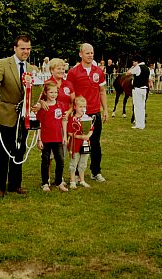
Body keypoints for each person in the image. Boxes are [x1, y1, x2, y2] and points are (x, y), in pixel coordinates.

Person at [0, 34, 35, 197]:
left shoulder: (31, 69)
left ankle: (15, 184)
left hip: (24, 116)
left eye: (28, 48)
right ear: (15, 48)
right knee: (4, 151)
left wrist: (36, 103)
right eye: (23, 48)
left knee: (20, 149)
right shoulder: (3, 63)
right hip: (6, 114)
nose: (26, 51)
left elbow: (34, 93)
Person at [66, 43, 108, 183]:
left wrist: (105, 110)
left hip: (95, 113)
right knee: (78, 143)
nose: (90, 55)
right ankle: (77, 174)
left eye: (92, 53)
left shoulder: (99, 71)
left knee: (95, 143)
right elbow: (70, 94)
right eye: (87, 53)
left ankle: (96, 172)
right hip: (79, 115)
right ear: (80, 54)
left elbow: (102, 92)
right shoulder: (73, 72)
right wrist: (72, 111)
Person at [39, 58, 75, 184]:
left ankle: (59, 178)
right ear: (52, 70)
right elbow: (38, 99)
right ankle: (47, 178)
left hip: (64, 121)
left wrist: (69, 112)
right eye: (58, 68)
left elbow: (73, 102)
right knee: (48, 154)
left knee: (61, 151)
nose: (61, 70)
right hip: (49, 122)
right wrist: (42, 102)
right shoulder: (46, 83)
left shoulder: (68, 84)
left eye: (62, 68)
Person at [36, 80, 68, 192]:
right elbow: (38, 124)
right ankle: (45, 183)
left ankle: (59, 182)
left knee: (60, 160)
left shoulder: (61, 106)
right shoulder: (43, 108)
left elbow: (64, 120)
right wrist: (39, 139)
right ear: (46, 93)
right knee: (45, 161)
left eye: (55, 92)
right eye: (51, 92)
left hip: (58, 138)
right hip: (45, 139)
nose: (53, 94)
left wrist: (64, 135)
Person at [67, 96, 94, 189]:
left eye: (84, 107)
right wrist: (80, 136)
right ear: (75, 107)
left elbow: (91, 129)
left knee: (83, 163)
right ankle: (72, 180)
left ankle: (82, 180)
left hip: (85, 144)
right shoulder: (72, 119)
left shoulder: (87, 118)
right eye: (80, 107)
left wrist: (88, 136)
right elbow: (69, 132)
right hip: (75, 145)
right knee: (74, 163)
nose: (83, 109)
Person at [126, 54, 150, 130]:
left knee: (137, 107)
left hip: (138, 89)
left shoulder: (137, 67)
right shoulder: (147, 68)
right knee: (142, 107)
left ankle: (138, 124)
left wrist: (133, 67)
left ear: (137, 61)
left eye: (133, 62)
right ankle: (142, 124)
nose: (133, 63)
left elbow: (127, 73)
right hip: (144, 89)